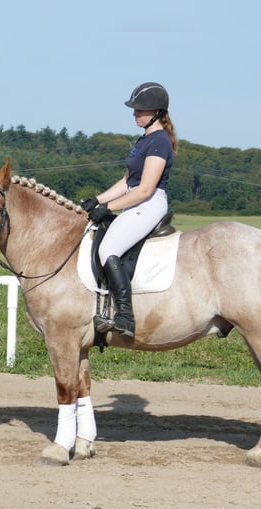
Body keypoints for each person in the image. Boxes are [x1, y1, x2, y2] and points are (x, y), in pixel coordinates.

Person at [81, 82, 177, 338]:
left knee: (108, 249)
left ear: (157, 112)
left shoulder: (159, 142)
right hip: (136, 201)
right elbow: (126, 182)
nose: (135, 113)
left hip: (149, 203)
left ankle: (125, 317)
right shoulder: (144, 139)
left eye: (140, 110)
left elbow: (144, 189)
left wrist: (108, 208)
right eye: (134, 109)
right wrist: (97, 200)